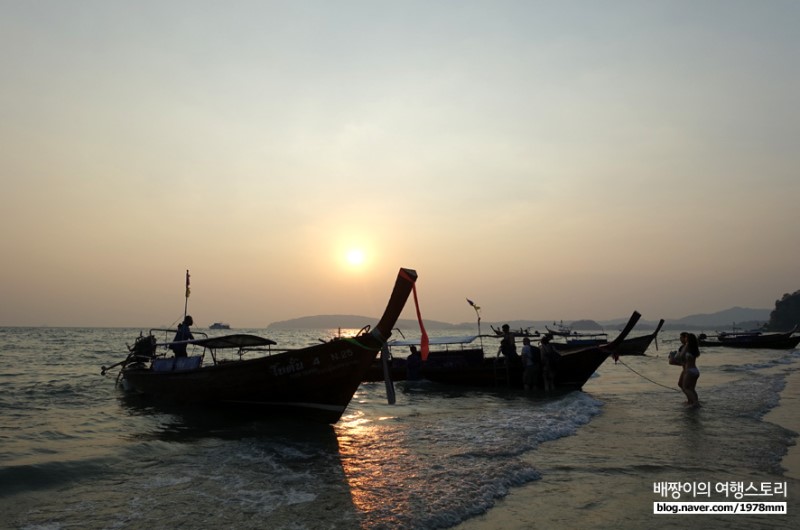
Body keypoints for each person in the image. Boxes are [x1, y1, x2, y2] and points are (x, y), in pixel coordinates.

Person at [681, 333, 701, 408]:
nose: (685, 339)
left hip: (689, 370)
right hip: (695, 370)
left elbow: (681, 355)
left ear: (688, 339)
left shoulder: (687, 345)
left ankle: (695, 403)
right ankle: (693, 401)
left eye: (686, 337)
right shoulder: (694, 347)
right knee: (692, 389)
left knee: (685, 388)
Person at [669, 332, 689, 396]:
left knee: (688, 387)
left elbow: (681, 358)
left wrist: (672, 357)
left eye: (681, 337)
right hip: (685, 368)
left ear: (685, 338)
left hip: (688, 369)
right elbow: (681, 361)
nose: (680, 339)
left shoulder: (686, 347)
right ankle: (690, 400)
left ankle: (693, 401)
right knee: (680, 384)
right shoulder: (682, 347)